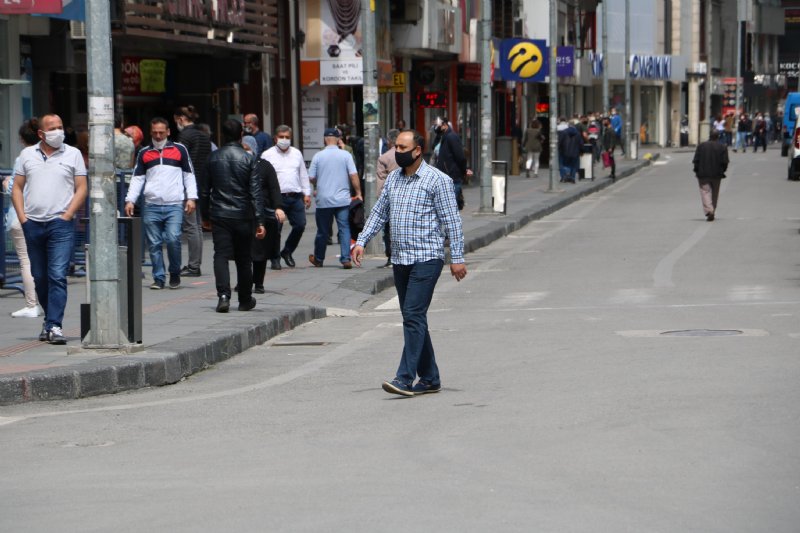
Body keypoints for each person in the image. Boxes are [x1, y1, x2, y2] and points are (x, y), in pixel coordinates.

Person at [352, 130, 467, 397]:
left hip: (427, 258)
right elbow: (380, 212)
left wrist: (458, 258)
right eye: (395, 146)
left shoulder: (438, 180)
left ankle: (404, 378)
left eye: (402, 147)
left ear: (417, 150)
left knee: (413, 315)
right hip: (402, 258)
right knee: (413, 316)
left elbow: (452, 222)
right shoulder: (394, 178)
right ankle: (430, 378)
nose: (397, 151)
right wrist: (361, 241)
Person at [11, 113, 88, 344]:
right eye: (52, 128)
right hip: (32, 224)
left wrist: (67, 215)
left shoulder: (73, 154)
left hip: (60, 225)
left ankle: (55, 325)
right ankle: (48, 322)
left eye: (60, 126)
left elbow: (82, 187)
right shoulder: (27, 155)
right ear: (41, 134)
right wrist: (23, 218)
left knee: (57, 275)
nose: (58, 131)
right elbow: (17, 187)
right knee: (39, 277)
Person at [124, 117, 198, 290]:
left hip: (174, 204)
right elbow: (137, 178)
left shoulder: (180, 150)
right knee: (154, 243)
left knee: (173, 239)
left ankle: (174, 272)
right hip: (151, 205)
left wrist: (191, 198)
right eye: (155, 132)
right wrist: (130, 200)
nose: (158, 135)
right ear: (151, 132)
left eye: (161, 132)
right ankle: (158, 277)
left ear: (168, 132)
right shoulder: (144, 153)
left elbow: (189, 175)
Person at [201, 119, 267, 313]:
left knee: (220, 254)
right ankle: (245, 298)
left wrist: (205, 216)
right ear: (241, 136)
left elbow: (205, 191)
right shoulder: (248, 159)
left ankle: (223, 295)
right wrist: (260, 221)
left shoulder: (213, 158)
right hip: (243, 214)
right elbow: (255, 192)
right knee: (244, 257)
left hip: (220, 214)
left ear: (222, 135)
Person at [4, 118, 43, 318]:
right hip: (43, 214)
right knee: (42, 261)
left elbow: (15, 188)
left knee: (26, 261)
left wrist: (6, 183)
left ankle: (31, 303)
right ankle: (43, 301)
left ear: (21, 139)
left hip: (21, 215)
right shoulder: (47, 154)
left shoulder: (24, 157)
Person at [307, 128, 362, 269]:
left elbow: (311, 177)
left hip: (323, 199)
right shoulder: (345, 155)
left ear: (325, 139)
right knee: (344, 228)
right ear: (338, 139)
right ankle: (345, 259)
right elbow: (353, 175)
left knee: (323, 231)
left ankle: (319, 259)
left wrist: (318, 184)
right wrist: (358, 192)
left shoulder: (318, 156)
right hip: (342, 199)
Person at [261, 125, 311, 269]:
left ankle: (287, 251)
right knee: (275, 230)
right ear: (275, 138)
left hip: (295, 196)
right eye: (281, 137)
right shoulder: (267, 155)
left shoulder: (296, 153)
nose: (284, 140)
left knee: (300, 225)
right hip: (276, 198)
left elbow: (302, 173)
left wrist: (306, 193)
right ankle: (274, 258)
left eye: (287, 137)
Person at [174, 105, 211, 278]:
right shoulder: (204, 136)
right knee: (196, 226)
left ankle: (193, 266)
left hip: (187, 184)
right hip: (201, 183)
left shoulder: (184, 136)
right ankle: (195, 264)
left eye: (176, 121)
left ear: (181, 118)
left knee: (191, 226)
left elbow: (179, 161)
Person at [433, 116, 472, 210]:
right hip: (445, 176)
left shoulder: (451, 137)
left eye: (437, 125)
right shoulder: (443, 137)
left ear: (444, 125)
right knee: (447, 206)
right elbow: (433, 147)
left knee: (450, 207)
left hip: (451, 176)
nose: (435, 127)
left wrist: (464, 170)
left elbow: (460, 156)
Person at [692, 129, 729, 222]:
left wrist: (697, 171)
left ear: (709, 136)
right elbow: (725, 162)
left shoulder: (701, 146)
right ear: (718, 137)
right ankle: (712, 210)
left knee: (705, 192)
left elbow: (696, 160)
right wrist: (723, 170)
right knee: (715, 193)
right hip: (717, 174)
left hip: (703, 174)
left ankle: (709, 210)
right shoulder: (722, 147)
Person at [376, 128, 399, 267]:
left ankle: (391, 256)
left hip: (390, 197)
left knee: (389, 228)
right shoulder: (411, 155)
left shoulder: (384, 158)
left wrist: (380, 199)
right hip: (409, 198)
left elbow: (381, 181)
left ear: (389, 141)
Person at [558, 118, 582, 183]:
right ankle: (572, 177)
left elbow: (560, 142)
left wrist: (558, 149)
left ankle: (564, 177)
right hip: (575, 152)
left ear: (568, 125)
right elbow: (580, 143)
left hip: (564, 151)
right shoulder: (578, 133)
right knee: (573, 165)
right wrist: (581, 151)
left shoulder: (563, 132)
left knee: (563, 164)